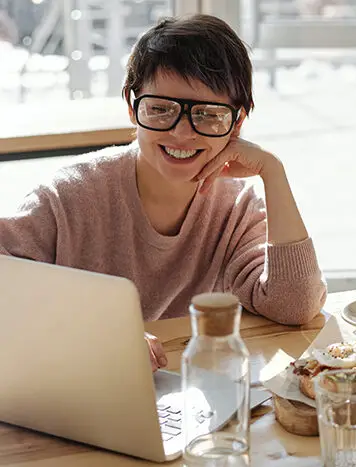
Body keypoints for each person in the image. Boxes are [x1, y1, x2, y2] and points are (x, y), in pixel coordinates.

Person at [0, 15, 327, 371]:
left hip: (182, 394)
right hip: (76, 387)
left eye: (208, 114)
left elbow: (295, 305)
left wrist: (272, 172)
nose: (182, 133)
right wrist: (100, 330)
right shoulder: (70, 195)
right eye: (160, 109)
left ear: (238, 122)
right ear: (131, 106)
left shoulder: (236, 208)